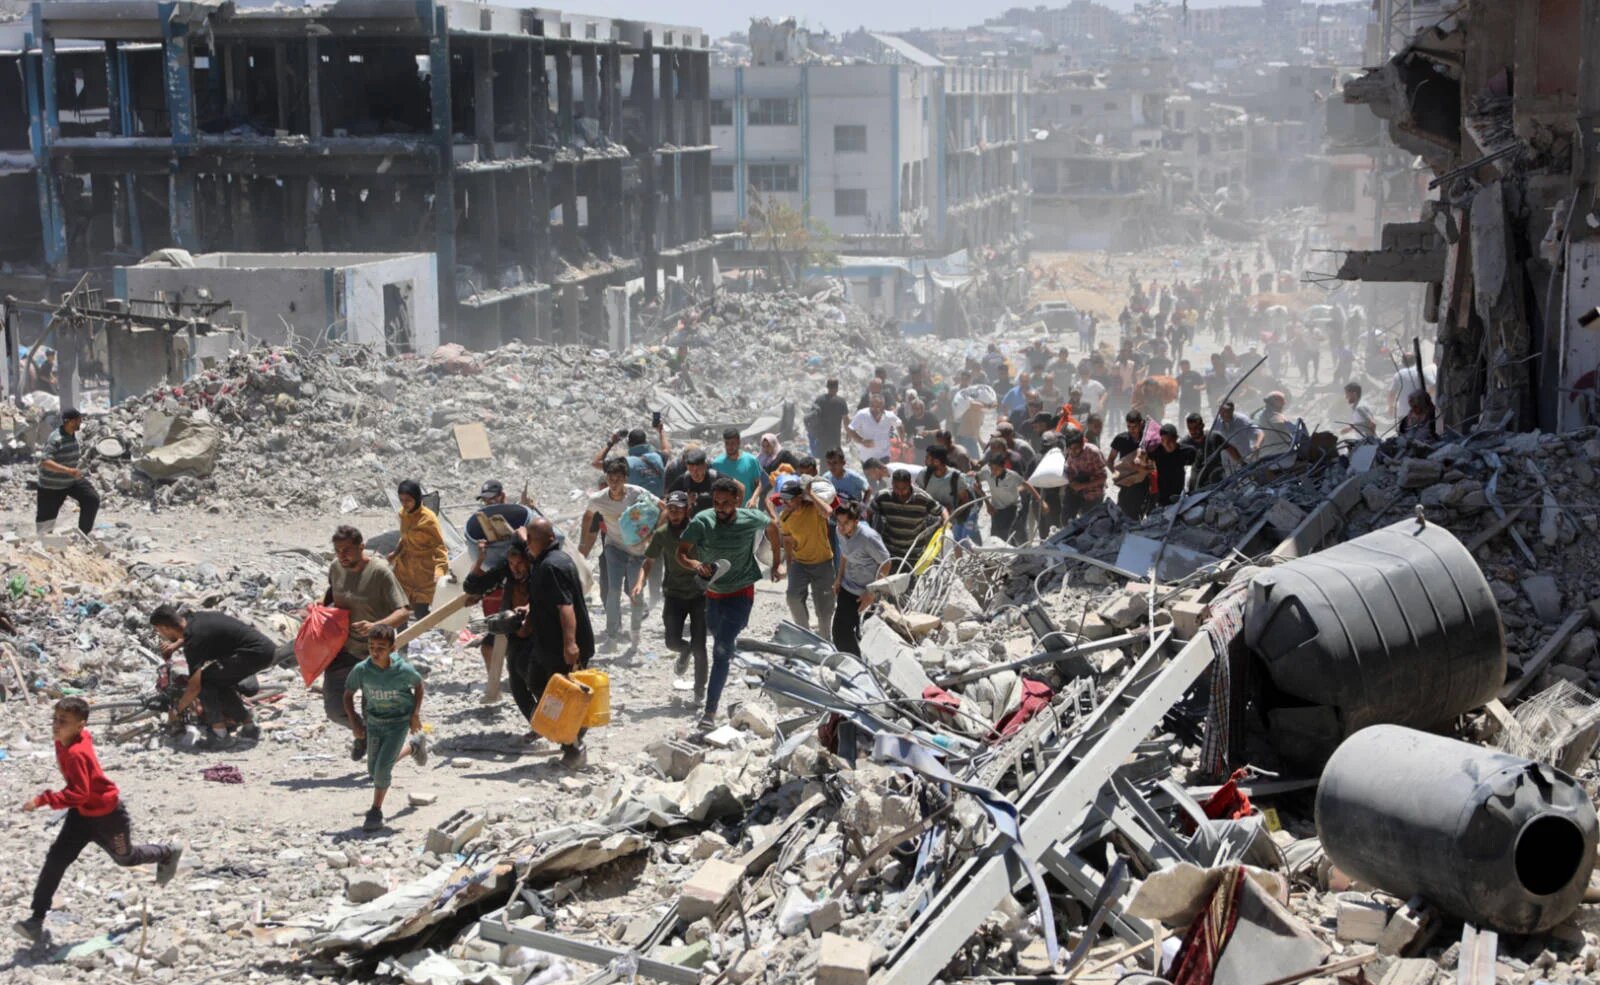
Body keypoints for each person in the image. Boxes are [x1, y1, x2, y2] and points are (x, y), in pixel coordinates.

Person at [16, 697, 182, 943]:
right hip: (81, 816)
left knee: (125, 858)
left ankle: (167, 852)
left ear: (80, 725)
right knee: (56, 859)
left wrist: (43, 800)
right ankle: (36, 919)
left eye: (63, 721)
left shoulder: (75, 753)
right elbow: (80, 792)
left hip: (108, 817)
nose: (56, 725)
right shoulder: (67, 740)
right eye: (55, 719)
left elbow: (79, 792)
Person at [676, 478, 782, 730]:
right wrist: (695, 566)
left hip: (742, 593)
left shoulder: (750, 519)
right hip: (713, 594)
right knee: (715, 635)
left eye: (726, 503)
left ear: (737, 501)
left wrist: (777, 562)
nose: (720, 508)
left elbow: (773, 528)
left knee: (722, 651)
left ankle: (709, 712)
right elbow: (681, 552)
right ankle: (698, 651)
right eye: (716, 503)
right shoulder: (703, 520)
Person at [323, 526, 411, 760]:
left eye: (347, 550)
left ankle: (381, 752)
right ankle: (362, 734)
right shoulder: (335, 568)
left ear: (361, 547)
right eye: (337, 550)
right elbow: (331, 597)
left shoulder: (380, 572)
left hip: (377, 653)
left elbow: (403, 612)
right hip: (345, 648)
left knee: (373, 710)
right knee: (334, 708)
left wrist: (377, 626)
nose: (342, 555)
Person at [149, 604, 276, 750]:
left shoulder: (194, 643)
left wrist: (178, 710)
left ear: (165, 628)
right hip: (262, 648)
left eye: (159, 631)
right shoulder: (194, 619)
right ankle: (249, 727)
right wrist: (176, 645)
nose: (160, 635)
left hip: (254, 654)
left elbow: (194, 687)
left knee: (205, 683)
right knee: (217, 681)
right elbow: (197, 634)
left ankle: (220, 735)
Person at [523, 518, 597, 766]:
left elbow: (565, 607)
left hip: (561, 646)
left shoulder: (552, 566)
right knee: (535, 682)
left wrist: (570, 644)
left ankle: (575, 746)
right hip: (547, 643)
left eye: (529, 541)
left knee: (566, 695)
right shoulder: (547, 561)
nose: (527, 546)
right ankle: (567, 736)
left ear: (539, 540)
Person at [342, 625, 428, 833]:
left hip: (398, 723)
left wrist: (414, 715)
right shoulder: (362, 670)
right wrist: (355, 721)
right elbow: (347, 694)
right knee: (374, 770)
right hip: (375, 723)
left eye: (381, 647)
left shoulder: (402, 670)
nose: (375, 651)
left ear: (392, 648)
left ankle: (375, 811)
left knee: (381, 771)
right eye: (371, 646)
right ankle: (414, 748)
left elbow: (418, 685)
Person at [580, 458, 662, 653]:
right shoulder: (598, 499)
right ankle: (612, 636)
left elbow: (663, 507)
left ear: (625, 478)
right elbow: (588, 516)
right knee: (613, 592)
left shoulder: (637, 493)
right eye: (610, 478)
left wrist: (654, 534)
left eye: (618, 478)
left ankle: (635, 635)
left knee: (636, 594)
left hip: (637, 552)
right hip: (614, 547)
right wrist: (583, 543)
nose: (614, 482)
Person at [462, 537, 540, 740]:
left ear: (528, 561)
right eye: (512, 564)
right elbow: (473, 587)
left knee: (536, 681)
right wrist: (480, 560)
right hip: (514, 634)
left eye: (519, 563)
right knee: (516, 683)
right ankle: (538, 724)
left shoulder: (540, 573)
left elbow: (543, 599)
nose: (515, 568)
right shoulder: (507, 573)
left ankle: (555, 725)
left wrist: (529, 609)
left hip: (539, 634)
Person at [636, 492, 707, 706]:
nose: (675, 514)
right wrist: (640, 582)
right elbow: (649, 561)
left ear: (687, 510)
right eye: (671, 509)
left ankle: (699, 692)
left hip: (699, 594)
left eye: (679, 509)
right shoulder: (662, 534)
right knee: (671, 641)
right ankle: (683, 651)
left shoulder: (700, 529)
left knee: (700, 646)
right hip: (674, 594)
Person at [777, 476, 836, 641]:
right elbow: (788, 542)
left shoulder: (813, 509)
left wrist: (809, 492)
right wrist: (788, 567)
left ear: (798, 498)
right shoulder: (785, 518)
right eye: (782, 500)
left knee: (824, 608)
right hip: (800, 563)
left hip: (823, 563)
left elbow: (828, 511)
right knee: (793, 598)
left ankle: (826, 640)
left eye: (788, 500)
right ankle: (805, 636)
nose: (784, 503)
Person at [832, 501, 890, 655]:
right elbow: (845, 554)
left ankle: (864, 667)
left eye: (846, 523)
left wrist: (871, 593)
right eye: (839, 522)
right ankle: (852, 664)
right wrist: (839, 579)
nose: (841, 526)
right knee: (840, 633)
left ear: (856, 522)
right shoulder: (840, 531)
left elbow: (886, 564)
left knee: (864, 634)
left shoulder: (868, 537)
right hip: (847, 587)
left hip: (865, 593)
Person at [389, 479, 450, 620]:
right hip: (404, 571)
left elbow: (439, 547)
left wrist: (440, 571)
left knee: (420, 613)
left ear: (416, 498)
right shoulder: (403, 514)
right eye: (401, 500)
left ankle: (443, 631)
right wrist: (396, 553)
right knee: (400, 612)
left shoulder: (429, 519)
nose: (405, 504)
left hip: (423, 574)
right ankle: (401, 642)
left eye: (408, 500)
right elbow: (404, 537)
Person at [35, 407, 99, 540]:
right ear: (69, 422)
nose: (80, 423)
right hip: (51, 486)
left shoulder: (73, 434)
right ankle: (44, 548)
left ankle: (83, 536)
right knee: (45, 528)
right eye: (78, 420)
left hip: (70, 481)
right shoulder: (56, 438)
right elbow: (45, 462)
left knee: (91, 498)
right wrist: (69, 470)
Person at [871, 468, 946, 566]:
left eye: (903, 489)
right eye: (896, 488)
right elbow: (870, 512)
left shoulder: (922, 498)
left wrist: (946, 523)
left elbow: (941, 510)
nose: (900, 492)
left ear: (910, 484)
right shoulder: (883, 497)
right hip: (890, 552)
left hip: (914, 553)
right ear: (892, 484)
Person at [977, 452, 1043, 544]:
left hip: (1012, 507)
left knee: (1004, 535)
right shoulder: (986, 472)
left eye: (996, 469)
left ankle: (1025, 553)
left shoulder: (1012, 476)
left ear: (1003, 467)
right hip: (996, 509)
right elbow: (975, 480)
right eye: (992, 468)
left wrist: (1041, 501)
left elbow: (1027, 485)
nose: (993, 471)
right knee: (999, 536)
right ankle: (1003, 554)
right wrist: (987, 504)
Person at [593, 424, 668, 497]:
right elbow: (666, 450)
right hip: (660, 505)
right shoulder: (658, 457)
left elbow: (596, 463)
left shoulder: (625, 463)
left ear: (629, 444)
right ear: (645, 442)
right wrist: (661, 431)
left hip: (638, 507)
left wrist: (611, 442)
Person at [919, 445, 973, 538]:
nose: (925, 460)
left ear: (936, 461)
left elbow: (964, 501)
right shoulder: (924, 474)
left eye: (927, 458)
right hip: (927, 523)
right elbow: (919, 495)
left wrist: (951, 516)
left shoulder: (956, 477)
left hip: (948, 525)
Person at [1107, 412, 1153, 520]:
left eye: (1134, 427)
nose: (1132, 430)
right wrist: (1117, 476)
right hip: (1126, 482)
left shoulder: (1146, 440)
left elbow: (1153, 462)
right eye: (1129, 427)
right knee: (1122, 509)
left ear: (1141, 424)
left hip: (1143, 482)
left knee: (1136, 513)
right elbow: (1109, 461)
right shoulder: (1121, 439)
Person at [1062, 427, 1107, 521]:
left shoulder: (1093, 452)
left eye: (1076, 449)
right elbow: (1068, 469)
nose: (1073, 452)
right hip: (1075, 491)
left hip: (1093, 493)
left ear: (1082, 444)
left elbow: (1103, 477)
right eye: (1071, 449)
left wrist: (1082, 486)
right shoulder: (1068, 452)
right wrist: (1071, 482)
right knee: (1066, 519)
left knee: (1089, 523)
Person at [1147, 423, 1197, 508]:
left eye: (1169, 441)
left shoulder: (1185, 452)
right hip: (1162, 497)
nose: (1166, 444)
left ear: (1176, 438)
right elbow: (1146, 458)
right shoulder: (1157, 452)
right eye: (1163, 441)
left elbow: (1195, 460)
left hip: (1180, 496)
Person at [846, 393, 903, 466]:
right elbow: (850, 430)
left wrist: (902, 441)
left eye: (878, 406)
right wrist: (862, 441)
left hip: (884, 456)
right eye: (872, 406)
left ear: (883, 407)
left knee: (883, 477)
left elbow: (900, 425)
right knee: (871, 477)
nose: (874, 409)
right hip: (866, 457)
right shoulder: (862, 414)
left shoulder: (889, 416)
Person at [711, 428, 763, 508]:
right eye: (727, 443)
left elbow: (758, 484)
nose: (729, 446)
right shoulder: (717, 464)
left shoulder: (751, 461)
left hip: (747, 511)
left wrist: (753, 499)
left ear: (738, 442)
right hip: (725, 513)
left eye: (732, 443)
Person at [668, 447, 721, 515]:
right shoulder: (684, 479)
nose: (694, 473)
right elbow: (668, 497)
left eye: (698, 469)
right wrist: (684, 499)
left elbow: (738, 487)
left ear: (705, 465)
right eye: (691, 469)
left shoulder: (714, 477)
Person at [1182, 413, 1227, 491]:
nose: (1193, 431)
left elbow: (1231, 449)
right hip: (1198, 484)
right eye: (1190, 428)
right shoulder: (1185, 443)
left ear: (1202, 425)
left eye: (1196, 428)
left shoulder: (1214, 437)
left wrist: (1241, 463)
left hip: (1218, 480)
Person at [809, 379, 851, 455]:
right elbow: (846, 419)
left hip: (821, 437)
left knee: (823, 459)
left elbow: (812, 416)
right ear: (837, 388)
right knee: (835, 458)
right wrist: (849, 432)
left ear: (827, 387)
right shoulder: (841, 401)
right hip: (835, 437)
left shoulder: (819, 400)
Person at [1211, 401, 1255, 474]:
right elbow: (1213, 438)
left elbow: (1256, 432)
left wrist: (1257, 445)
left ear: (1232, 410)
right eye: (1221, 410)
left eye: (1225, 411)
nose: (1222, 413)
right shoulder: (1217, 422)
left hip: (1244, 457)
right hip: (1226, 462)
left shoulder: (1242, 420)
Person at [1253, 391, 1294, 461]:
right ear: (1275, 402)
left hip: (1268, 453)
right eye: (1282, 401)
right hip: (1280, 454)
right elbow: (1289, 429)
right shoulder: (1274, 416)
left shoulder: (1262, 413)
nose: (1284, 403)